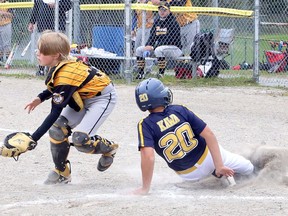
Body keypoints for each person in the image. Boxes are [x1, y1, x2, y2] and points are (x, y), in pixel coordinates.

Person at [24, 31, 118, 184]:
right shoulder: (60, 64)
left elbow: (55, 112)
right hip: (82, 97)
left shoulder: (66, 74)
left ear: (56, 55)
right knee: (57, 130)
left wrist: (33, 138)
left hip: (101, 98)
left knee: (81, 140)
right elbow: (58, 88)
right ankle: (62, 172)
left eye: (42, 51)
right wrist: (40, 98)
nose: (38, 54)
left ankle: (109, 149)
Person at [133, 78, 254, 195]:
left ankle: (216, 174)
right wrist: (219, 166)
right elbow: (209, 135)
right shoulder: (179, 110)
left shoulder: (145, 125)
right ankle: (224, 171)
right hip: (209, 158)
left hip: (189, 174)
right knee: (249, 168)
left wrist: (145, 188)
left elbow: (148, 157)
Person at [135, 2, 182, 79]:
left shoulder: (173, 22)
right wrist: (148, 45)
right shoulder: (157, 21)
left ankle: (161, 74)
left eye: (164, 10)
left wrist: (153, 47)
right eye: (160, 9)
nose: (162, 12)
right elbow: (152, 36)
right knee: (139, 50)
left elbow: (171, 39)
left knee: (158, 50)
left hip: (174, 49)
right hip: (159, 48)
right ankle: (141, 74)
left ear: (169, 11)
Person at [28, 0, 72, 76]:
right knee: (43, 48)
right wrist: (32, 22)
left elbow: (68, 5)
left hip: (57, 26)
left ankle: (56, 69)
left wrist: (56, 5)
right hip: (43, 25)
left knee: (56, 49)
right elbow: (36, 8)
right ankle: (41, 69)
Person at [131, 0, 155, 74]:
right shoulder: (136, 4)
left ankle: (148, 68)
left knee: (147, 48)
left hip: (149, 28)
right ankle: (137, 66)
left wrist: (153, 20)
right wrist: (132, 29)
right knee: (137, 48)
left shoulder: (150, 3)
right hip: (140, 28)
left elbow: (159, 14)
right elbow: (135, 18)